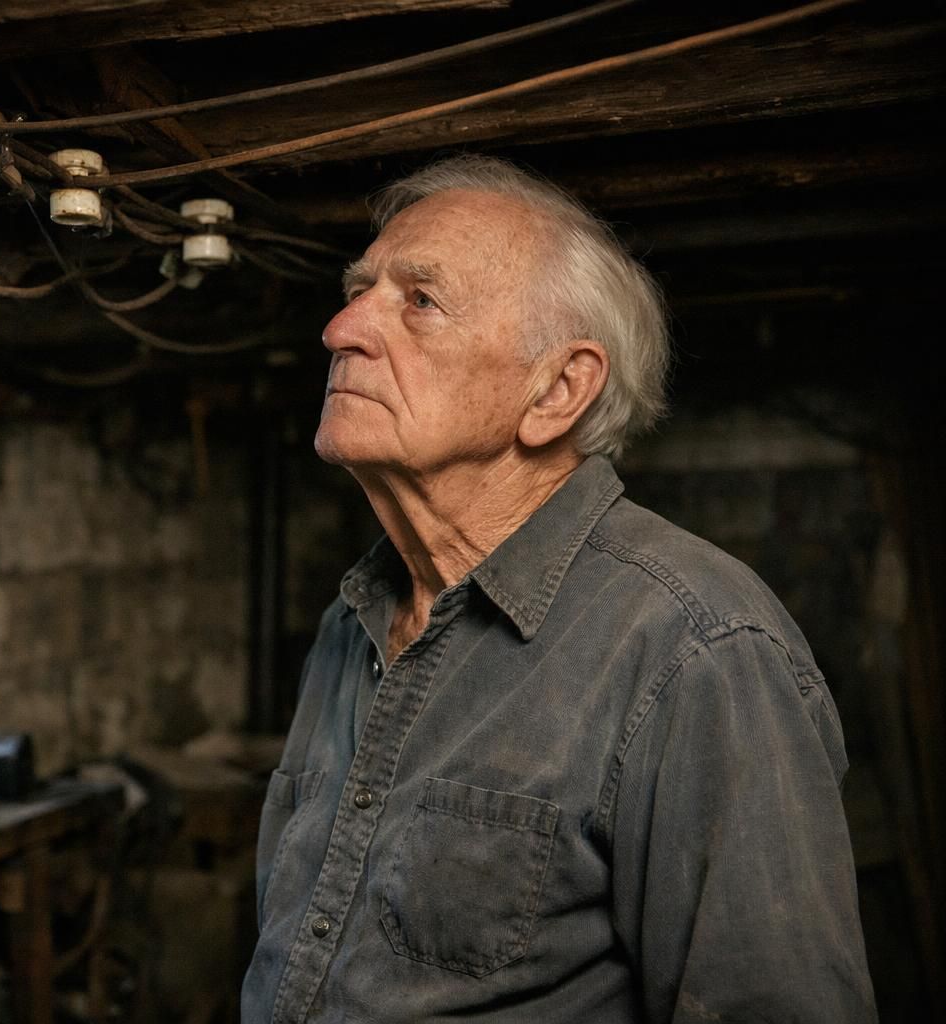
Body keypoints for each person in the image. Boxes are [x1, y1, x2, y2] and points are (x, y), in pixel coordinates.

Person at [241, 154, 876, 1023]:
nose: (341, 327)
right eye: (359, 290)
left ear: (559, 390)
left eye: (418, 301)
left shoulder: (699, 649)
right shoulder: (350, 623)